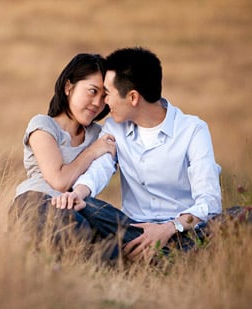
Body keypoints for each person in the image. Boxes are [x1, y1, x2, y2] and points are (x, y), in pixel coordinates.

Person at [52, 46, 231, 263]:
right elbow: (101, 168)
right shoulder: (113, 128)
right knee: (83, 206)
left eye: (108, 93)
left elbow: (210, 201)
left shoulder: (193, 130)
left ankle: (161, 257)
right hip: (133, 230)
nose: (103, 102)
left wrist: (168, 229)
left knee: (242, 216)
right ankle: (158, 257)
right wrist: (78, 193)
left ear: (133, 97)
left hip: (183, 231)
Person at [9, 53, 116, 254]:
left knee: (114, 247)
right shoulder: (43, 125)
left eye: (104, 97)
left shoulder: (98, 134)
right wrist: (92, 151)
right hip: (36, 202)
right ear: (69, 87)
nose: (97, 103)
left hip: (78, 207)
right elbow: (59, 181)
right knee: (75, 231)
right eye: (92, 91)